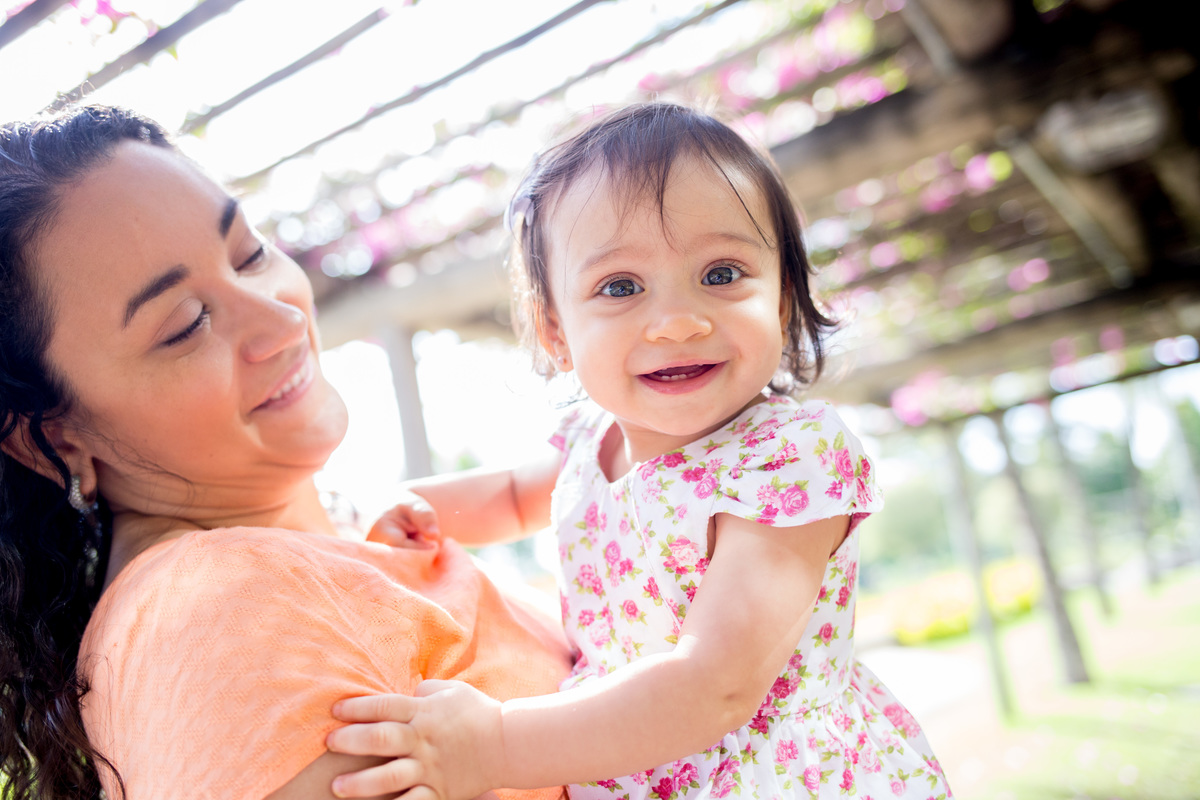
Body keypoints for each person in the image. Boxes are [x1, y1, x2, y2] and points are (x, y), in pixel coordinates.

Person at [322, 103, 952, 800]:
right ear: (556, 331)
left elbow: (715, 685)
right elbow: (503, 497)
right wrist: (391, 504)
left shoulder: (787, 460)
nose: (679, 321)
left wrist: (494, 745)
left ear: (780, 299)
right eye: (620, 287)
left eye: (721, 273)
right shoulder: (591, 448)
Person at [0, 104, 573, 800]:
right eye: (185, 326)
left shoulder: (325, 550)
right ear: (52, 438)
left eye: (249, 253)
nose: (280, 317)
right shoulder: (211, 612)